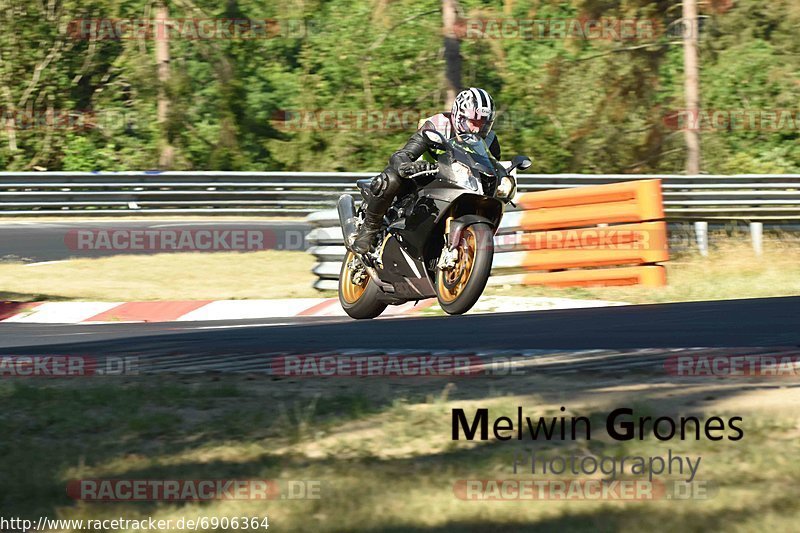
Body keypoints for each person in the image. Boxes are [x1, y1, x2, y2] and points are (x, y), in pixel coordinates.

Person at [351, 87, 501, 253]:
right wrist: (406, 166)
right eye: (474, 123)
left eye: (483, 124)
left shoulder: (490, 140)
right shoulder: (439, 124)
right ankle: (369, 230)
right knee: (391, 178)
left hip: (461, 186)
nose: (477, 129)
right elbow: (403, 154)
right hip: (422, 178)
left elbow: (493, 168)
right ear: (460, 116)